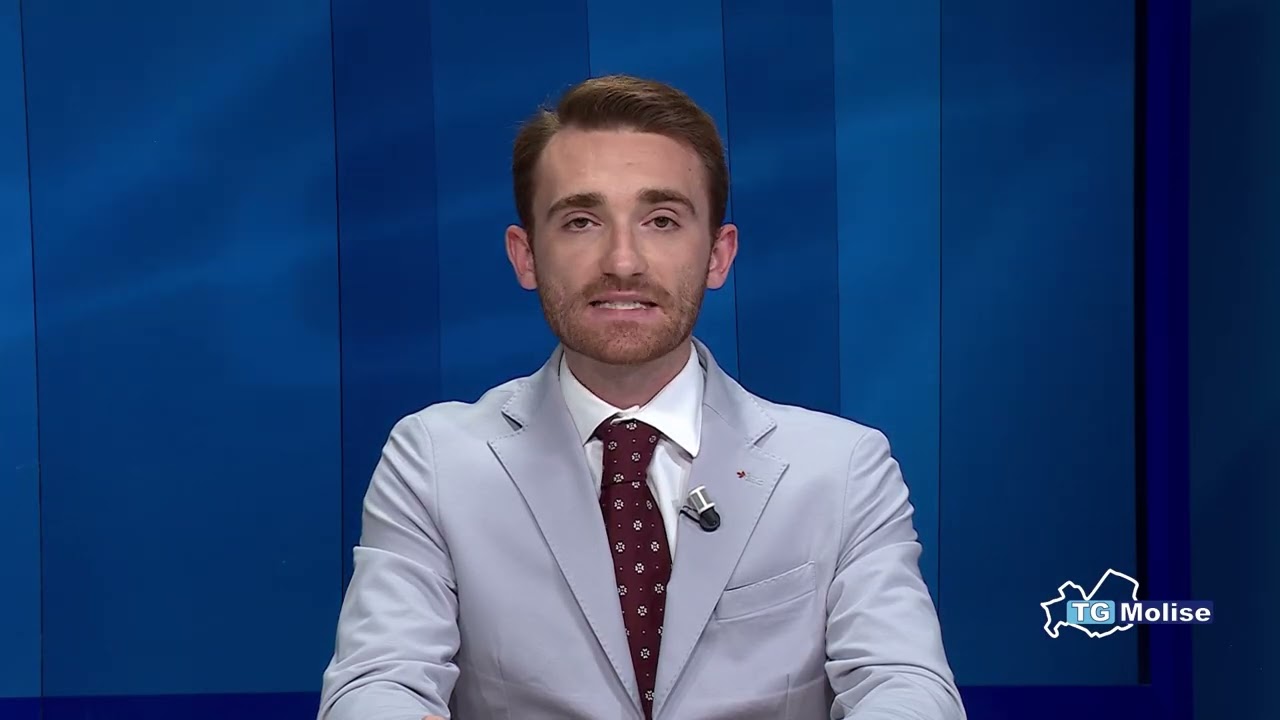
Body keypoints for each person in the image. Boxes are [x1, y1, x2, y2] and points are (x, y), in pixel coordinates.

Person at [317, 74, 966, 720]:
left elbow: (908, 687)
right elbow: (375, 687)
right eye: (580, 221)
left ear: (718, 255)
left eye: (661, 221)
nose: (623, 261)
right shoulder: (435, 460)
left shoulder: (842, 469)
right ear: (526, 256)